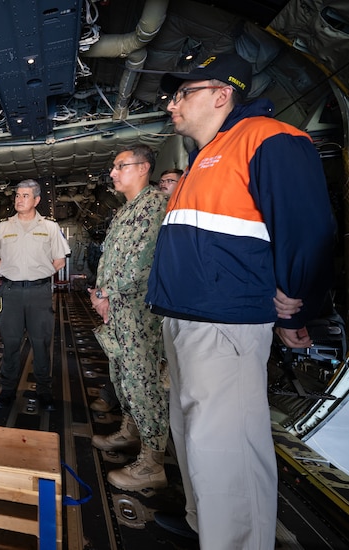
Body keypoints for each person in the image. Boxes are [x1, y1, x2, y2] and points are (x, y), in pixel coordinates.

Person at [146, 53, 335, 549]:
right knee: (191, 435)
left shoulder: (269, 139)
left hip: (224, 323)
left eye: (182, 92)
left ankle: (236, 540)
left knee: (225, 446)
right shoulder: (204, 159)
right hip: (187, 319)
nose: (172, 104)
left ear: (221, 93)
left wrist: (297, 301)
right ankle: (201, 524)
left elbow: (309, 228)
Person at [89, 145, 169, 491]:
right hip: (118, 310)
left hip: (137, 312)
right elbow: (110, 258)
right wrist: (99, 292)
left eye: (120, 166)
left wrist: (105, 293)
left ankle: (152, 461)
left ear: (143, 168)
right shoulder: (126, 211)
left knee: (142, 380)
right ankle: (131, 430)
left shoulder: (153, 206)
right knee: (122, 375)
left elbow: (140, 265)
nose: (113, 173)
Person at [0, 179, 71, 410]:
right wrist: (12, 272)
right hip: (11, 292)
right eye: (17, 195)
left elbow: (60, 260)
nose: (19, 199)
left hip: (39, 293)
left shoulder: (50, 227)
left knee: (41, 344)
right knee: (10, 343)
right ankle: (8, 390)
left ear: (37, 200)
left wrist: (39, 274)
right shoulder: (3, 227)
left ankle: (44, 391)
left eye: (25, 196)